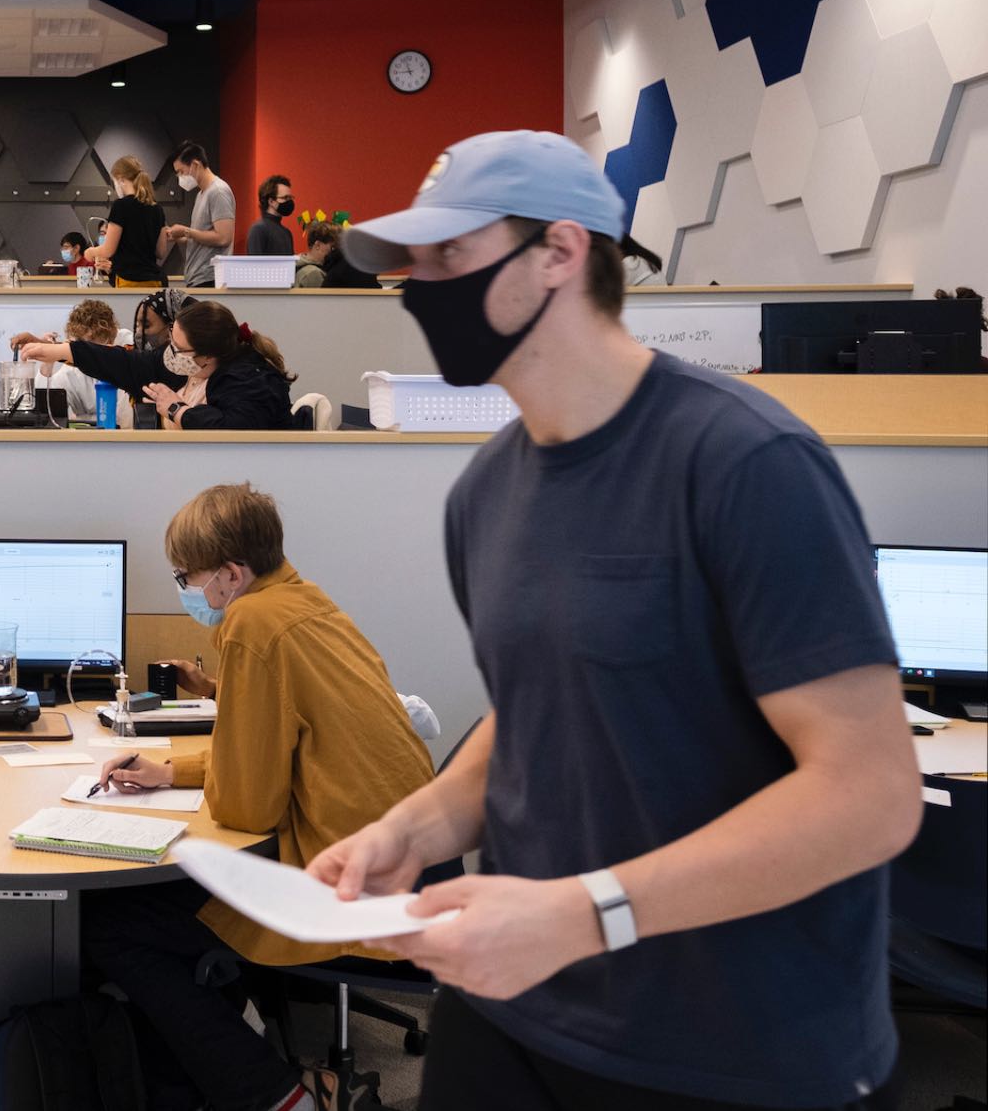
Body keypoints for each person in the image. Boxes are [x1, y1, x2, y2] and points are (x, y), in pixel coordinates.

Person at [304, 130, 919, 1111]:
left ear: (559, 252)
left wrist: (587, 915)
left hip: (733, 1047)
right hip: (513, 1007)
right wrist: (418, 824)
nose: (420, 290)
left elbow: (872, 794)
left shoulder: (744, 463)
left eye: (451, 258)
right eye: (413, 268)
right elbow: (539, 706)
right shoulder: (486, 492)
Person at [85, 484, 434, 1111]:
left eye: (186, 576)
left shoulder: (249, 621)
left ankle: (274, 1094)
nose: (186, 589)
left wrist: (197, 769)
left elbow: (248, 808)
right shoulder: (304, 601)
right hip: (399, 856)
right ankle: (247, 1049)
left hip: (342, 877)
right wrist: (171, 772)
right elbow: (286, 731)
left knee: (113, 923)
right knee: (170, 904)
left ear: (230, 574)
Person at [20, 298, 292, 430]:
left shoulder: (250, 381)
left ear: (207, 355)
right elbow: (130, 365)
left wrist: (176, 409)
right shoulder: (194, 365)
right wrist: (62, 351)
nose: (170, 353)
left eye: (179, 349)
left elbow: (234, 430)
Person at [15, 299, 124, 423]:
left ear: (111, 337)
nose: (84, 351)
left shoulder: (127, 349)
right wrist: (47, 363)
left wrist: (80, 419)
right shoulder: (72, 368)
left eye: (92, 342)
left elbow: (120, 418)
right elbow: (44, 412)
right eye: (80, 344)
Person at [160, 142, 234, 288]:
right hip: (197, 277)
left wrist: (187, 231)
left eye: (181, 172)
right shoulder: (201, 194)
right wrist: (181, 237)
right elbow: (204, 237)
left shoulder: (218, 192)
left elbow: (223, 238)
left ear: (195, 164)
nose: (180, 177)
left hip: (210, 278)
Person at [89, 156, 167, 288]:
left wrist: (90, 252)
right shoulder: (157, 208)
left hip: (129, 280)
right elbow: (160, 252)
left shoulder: (121, 206)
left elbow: (108, 250)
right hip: (154, 281)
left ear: (120, 179)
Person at [294, 221, 383, 290]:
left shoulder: (299, 266)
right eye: (333, 247)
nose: (335, 253)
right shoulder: (313, 273)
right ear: (317, 245)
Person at [246, 174, 296, 257]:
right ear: (271, 201)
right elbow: (255, 265)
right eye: (285, 198)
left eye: (290, 198)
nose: (289, 201)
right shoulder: (258, 229)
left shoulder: (287, 233)